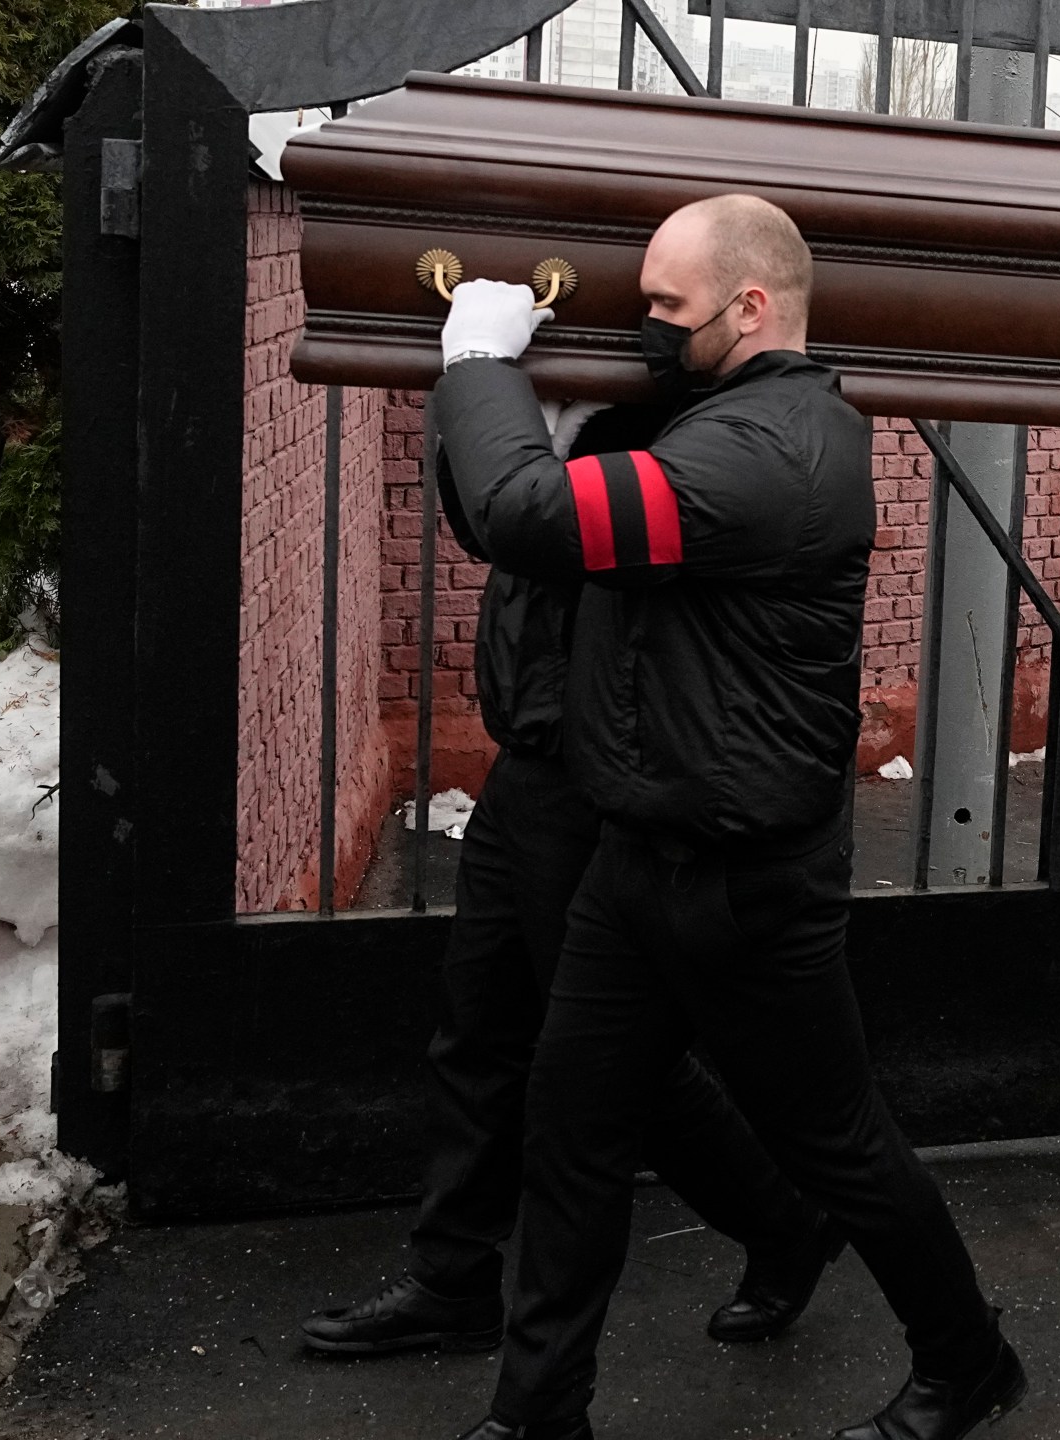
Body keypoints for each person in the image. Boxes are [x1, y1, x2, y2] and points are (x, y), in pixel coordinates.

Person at [432, 194, 1021, 1440]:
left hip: (749, 887)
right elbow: (518, 527)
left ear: (750, 307)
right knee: (572, 1134)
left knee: (840, 1144)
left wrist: (483, 367)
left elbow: (528, 516)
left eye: (664, 308)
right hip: (634, 857)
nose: (645, 328)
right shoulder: (709, 421)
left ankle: (966, 1361)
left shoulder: (778, 449)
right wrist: (535, 413)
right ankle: (538, 1414)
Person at [297, 398, 846, 1358]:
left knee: (610, 1055)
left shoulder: (660, 411)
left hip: (593, 771)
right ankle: (454, 1276)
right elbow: (487, 523)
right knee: (478, 1029)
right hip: (527, 763)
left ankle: (785, 1225)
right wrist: (485, 406)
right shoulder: (540, 385)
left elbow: (559, 533)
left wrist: (517, 408)